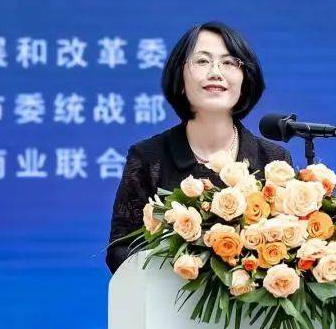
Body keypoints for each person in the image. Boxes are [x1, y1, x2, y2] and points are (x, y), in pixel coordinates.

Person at [105, 21, 294, 274]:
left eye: (229, 62)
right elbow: (120, 251)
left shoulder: (273, 160)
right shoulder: (148, 158)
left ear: (245, 79)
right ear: (180, 79)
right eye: (202, 61)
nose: (216, 72)